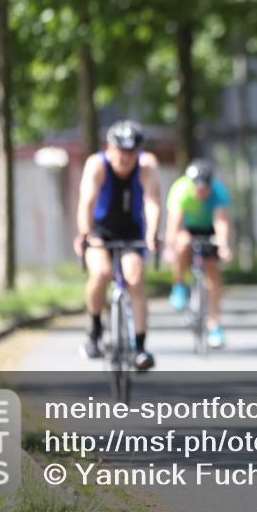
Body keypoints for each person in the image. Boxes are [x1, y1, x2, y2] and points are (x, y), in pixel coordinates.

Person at [73, 120, 162, 370]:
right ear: (110, 148)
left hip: (132, 229)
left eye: (132, 152)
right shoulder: (97, 165)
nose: (126, 158)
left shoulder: (147, 165)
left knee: (134, 277)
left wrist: (153, 233)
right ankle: (94, 330)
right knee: (101, 272)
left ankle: (141, 347)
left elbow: (152, 202)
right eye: (121, 151)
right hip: (100, 230)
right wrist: (84, 234)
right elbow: (86, 203)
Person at [166, 158, 233, 349]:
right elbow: (174, 223)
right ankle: (179, 284)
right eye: (197, 187)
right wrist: (171, 247)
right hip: (187, 228)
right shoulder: (180, 190)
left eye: (204, 188)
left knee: (213, 274)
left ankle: (214, 325)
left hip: (209, 229)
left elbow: (221, 222)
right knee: (182, 246)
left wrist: (224, 245)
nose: (200, 191)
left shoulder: (218, 192)